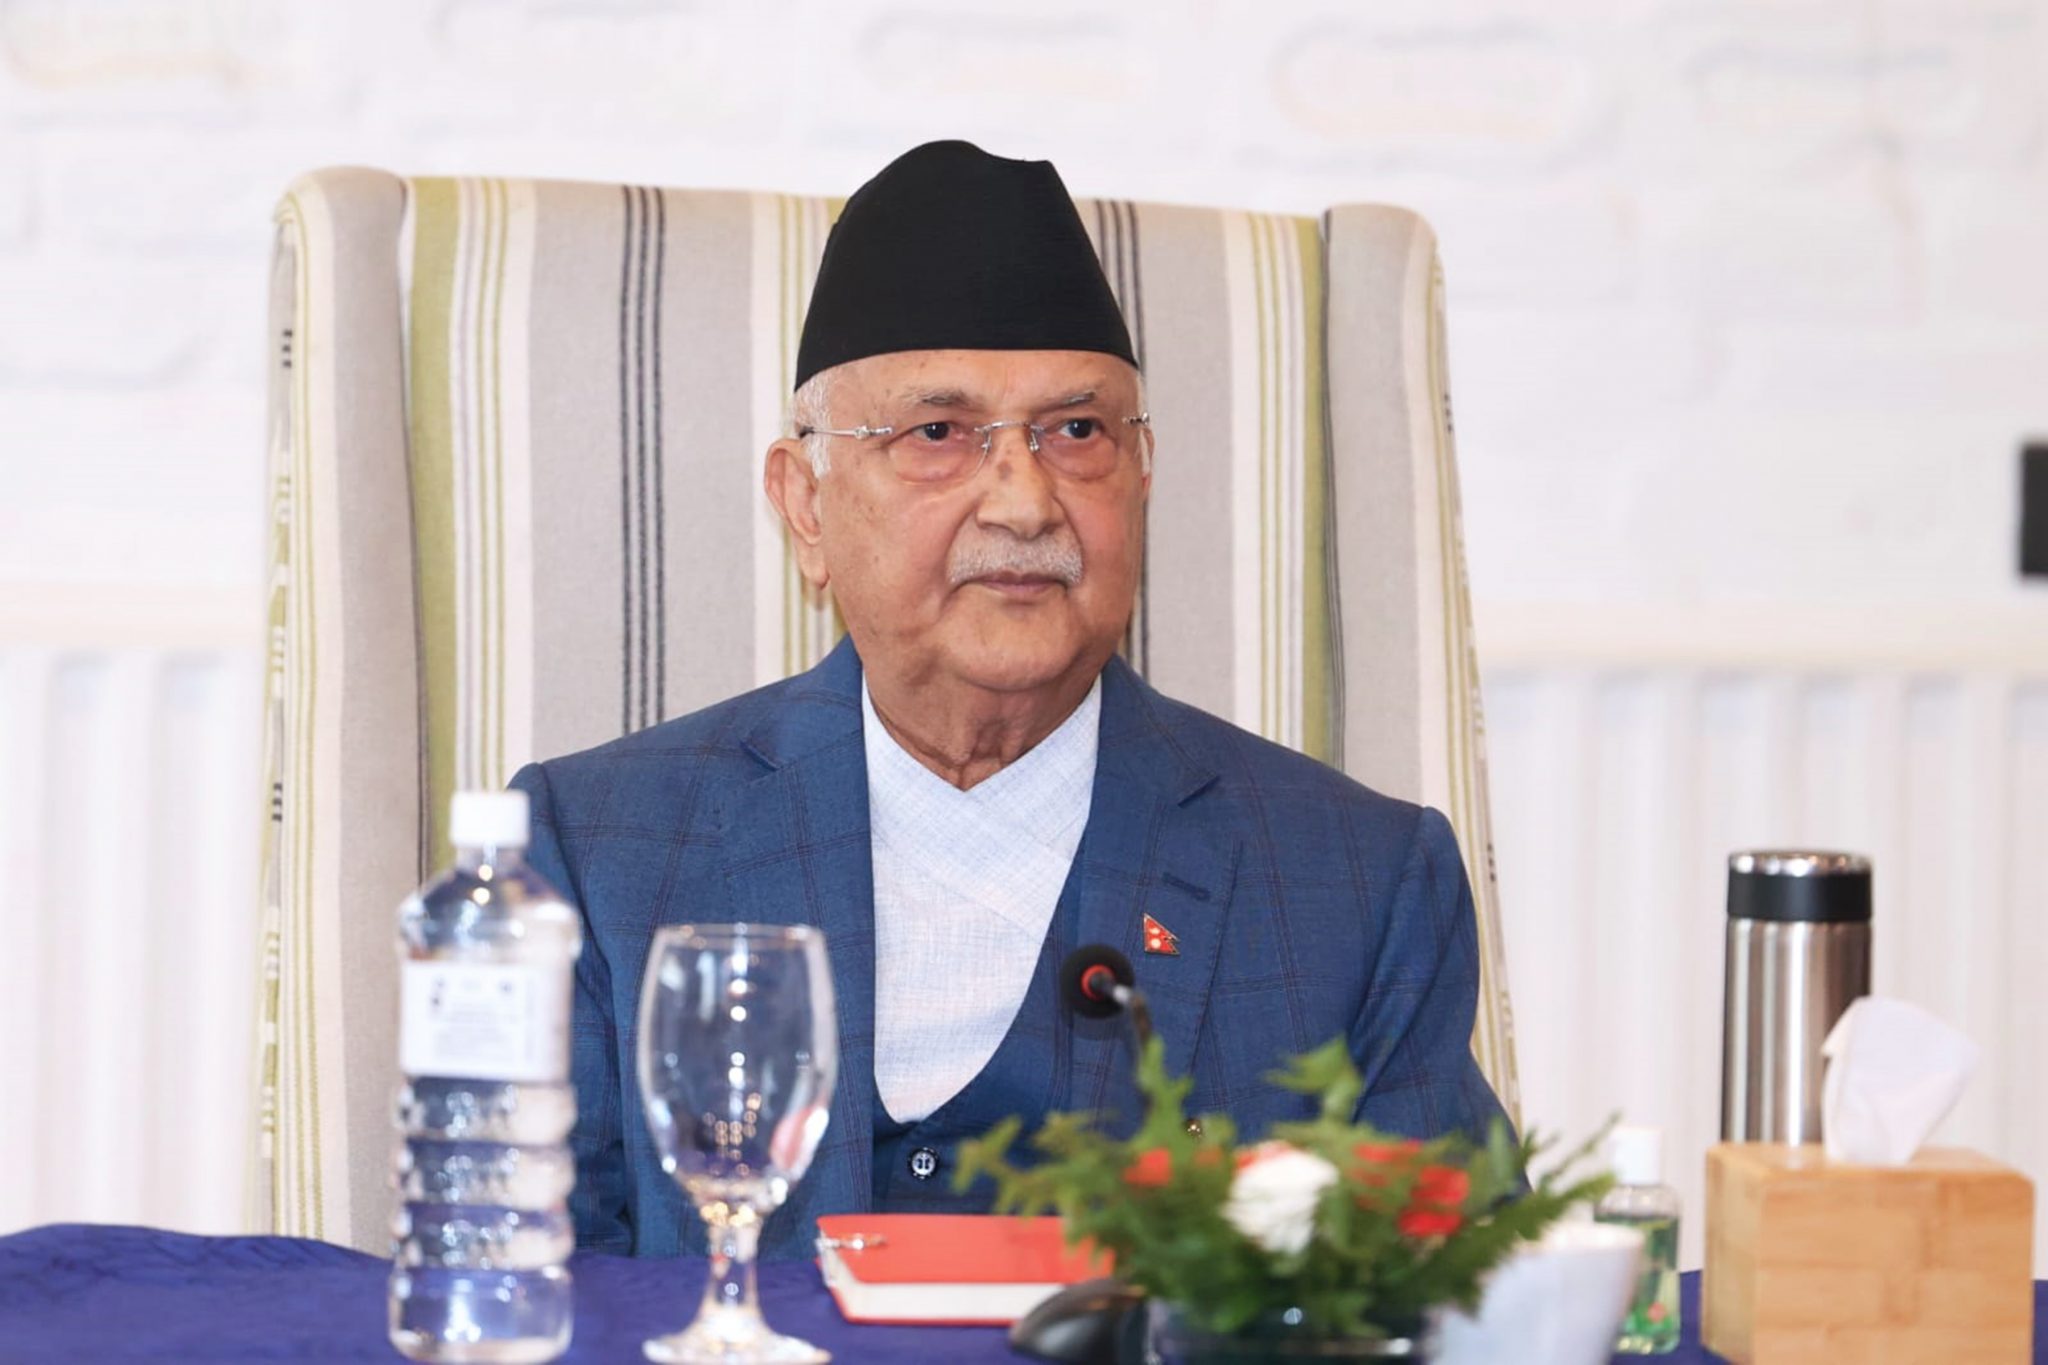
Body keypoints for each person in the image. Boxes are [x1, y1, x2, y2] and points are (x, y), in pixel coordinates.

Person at [512, 140, 1510, 1260]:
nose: (1025, 503)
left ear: (1139, 478)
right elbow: (528, 1283)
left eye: (1076, 432)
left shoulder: (1359, 885)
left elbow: (1462, 1287)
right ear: (804, 507)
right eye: (937, 434)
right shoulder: (598, 854)